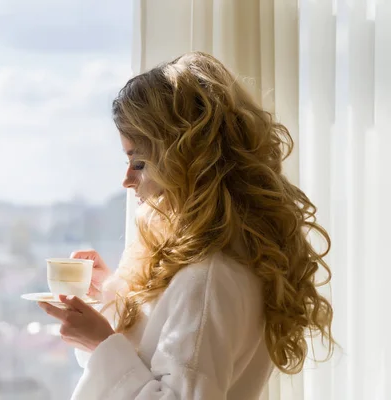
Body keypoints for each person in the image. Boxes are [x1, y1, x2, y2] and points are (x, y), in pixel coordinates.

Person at [38, 52, 334, 399]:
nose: (127, 180)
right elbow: (163, 350)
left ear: (185, 160)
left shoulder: (210, 276)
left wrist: (101, 343)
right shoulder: (216, 261)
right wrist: (112, 293)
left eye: (140, 162)